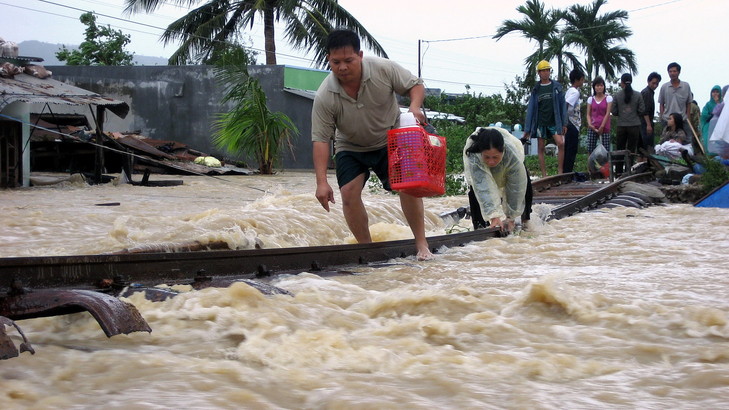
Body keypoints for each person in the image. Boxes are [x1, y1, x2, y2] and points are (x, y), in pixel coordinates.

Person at [311, 29, 432, 260]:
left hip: (390, 139)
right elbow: (320, 139)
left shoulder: (383, 69)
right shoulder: (325, 95)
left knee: (408, 186)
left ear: (360, 55)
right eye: (336, 62)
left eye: (349, 60)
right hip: (350, 146)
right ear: (329, 60)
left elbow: (415, 85)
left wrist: (414, 106)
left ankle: (422, 244)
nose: (342, 67)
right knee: (348, 193)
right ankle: (367, 250)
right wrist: (321, 182)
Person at [463, 127, 531, 234]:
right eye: (487, 157)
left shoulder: (511, 154)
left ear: (502, 151)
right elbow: (482, 187)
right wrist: (494, 216)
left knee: (525, 184)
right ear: (481, 152)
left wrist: (510, 217)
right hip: (480, 174)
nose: (491, 162)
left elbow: (516, 187)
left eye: (495, 157)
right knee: (475, 191)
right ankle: (480, 228)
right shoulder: (474, 155)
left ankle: (526, 222)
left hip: (510, 167)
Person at [523, 60, 567, 178]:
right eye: (543, 71)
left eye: (548, 70)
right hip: (541, 122)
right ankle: (544, 175)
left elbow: (563, 106)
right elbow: (531, 108)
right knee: (541, 147)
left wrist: (564, 123)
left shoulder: (556, 87)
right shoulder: (536, 89)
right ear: (539, 73)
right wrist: (527, 128)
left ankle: (560, 172)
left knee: (560, 143)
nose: (546, 73)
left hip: (554, 121)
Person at [611, 73, 649, 175]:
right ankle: (628, 171)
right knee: (631, 150)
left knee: (620, 149)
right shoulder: (638, 95)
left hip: (621, 126)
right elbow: (642, 110)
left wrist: (622, 113)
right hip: (634, 126)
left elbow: (613, 111)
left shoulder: (617, 95)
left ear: (622, 83)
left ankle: (618, 172)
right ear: (631, 81)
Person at [658, 62, 693, 137]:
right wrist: (661, 117)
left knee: (686, 140)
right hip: (667, 119)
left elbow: (689, 103)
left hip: (682, 119)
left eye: (674, 71)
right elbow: (661, 103)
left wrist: (688, 117)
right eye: (670, 71)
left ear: (679, 72)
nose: (672, 73)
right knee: (666, 141)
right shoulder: (664, 87)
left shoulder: (686, 86)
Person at [564, 68, 585, 173]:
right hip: (572, 123)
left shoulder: (569, 91)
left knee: (567, 148)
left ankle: (565, 171)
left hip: (569, 123)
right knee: (572, 150)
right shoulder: (575, 93)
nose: (583, 82)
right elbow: (566, 104)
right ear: (579, 79)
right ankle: (568, 171)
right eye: (582, 80)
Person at [586, 76, 613, 156]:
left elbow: (607, 113)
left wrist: (602, 126)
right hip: (593, 127)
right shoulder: (591, 99)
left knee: (605, 151)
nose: (599, 87)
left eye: (601, 85)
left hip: (604, 128)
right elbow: (588, 114)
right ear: (594, 87)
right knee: (590, 150)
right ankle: (590, 168)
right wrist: (590, 125)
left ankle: (605, 168)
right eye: (597, 86)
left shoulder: (608, 98)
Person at [640, 72, 661, 153]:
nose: (655, 85)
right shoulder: (647, 93)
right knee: (646, 148)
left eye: (657, 84)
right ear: (648, 82)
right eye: (653, 83)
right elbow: (645, 111)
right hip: (645, 124)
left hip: (645, 123)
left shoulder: (650, 92)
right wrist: (648, 125)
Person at [700, 85, 723, 151]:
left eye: (717, 92)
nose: (715, 94)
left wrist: (718, 103)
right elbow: (704, 115)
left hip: (721, 125)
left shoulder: (724, 103)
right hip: (709, 125)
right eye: (713, 92)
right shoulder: (708, 104)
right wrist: (713, 114)